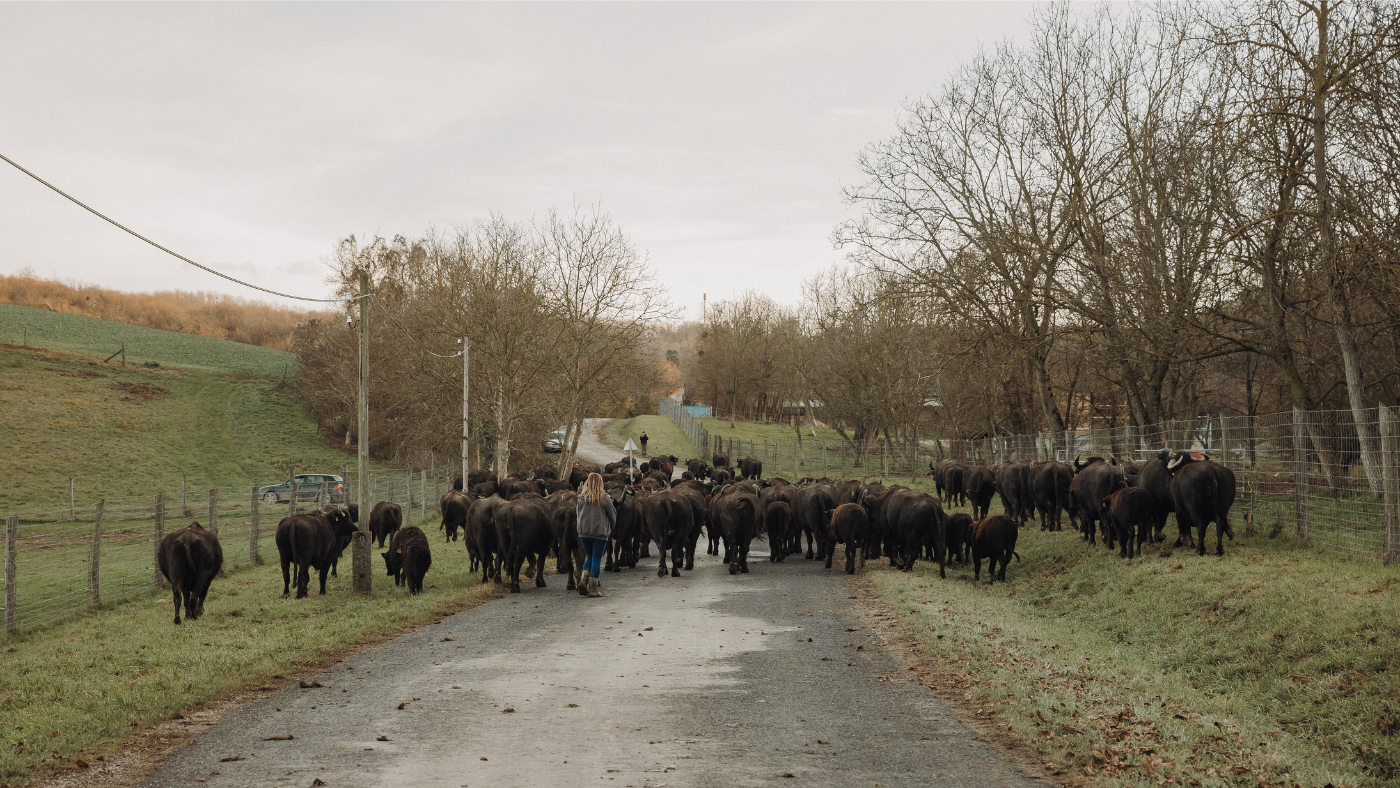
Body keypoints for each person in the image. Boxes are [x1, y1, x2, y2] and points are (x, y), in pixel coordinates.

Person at [575, 472, 615, 598]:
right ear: (600, 483)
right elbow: (612, 516)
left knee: (589, 556)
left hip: (583, 533)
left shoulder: (581, 498)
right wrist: (609, 528)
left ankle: (583, 580)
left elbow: (578, 515)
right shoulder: (605, 498)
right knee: (597, 558)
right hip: (599, 533)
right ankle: (593, 589)